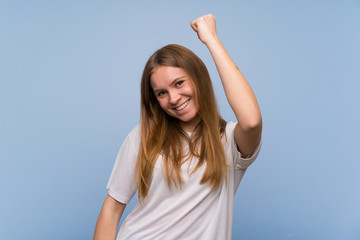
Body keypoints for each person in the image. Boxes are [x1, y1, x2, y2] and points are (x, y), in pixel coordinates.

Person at [93, 14, 262, 240]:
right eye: (162, 93)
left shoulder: (230, 141)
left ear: (198, 78)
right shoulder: (144, 136)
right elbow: (112, 209)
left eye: (179, 83)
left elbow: (251, 121)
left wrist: (211, 40)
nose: (173, 98)